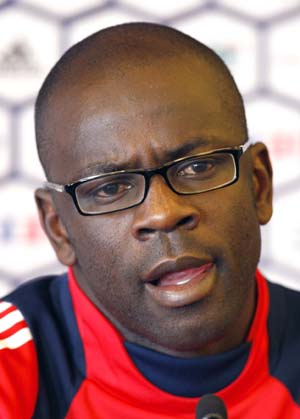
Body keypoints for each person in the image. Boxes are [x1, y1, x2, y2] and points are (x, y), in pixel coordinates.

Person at [0, 22, 299, 419]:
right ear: (58, 227)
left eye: (196, 167)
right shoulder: (15, 365)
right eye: (110, 189)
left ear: (258, 185)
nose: (163, 213)